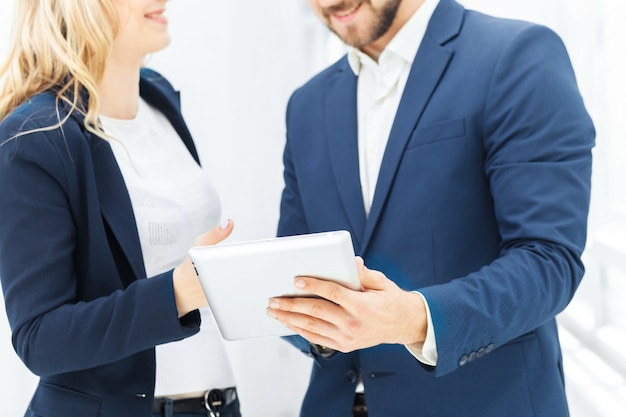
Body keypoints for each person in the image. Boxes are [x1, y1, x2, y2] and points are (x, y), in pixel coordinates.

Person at [266, 0, 595, 416]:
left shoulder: (517, 55)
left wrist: (414, 319)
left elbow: (549, 260)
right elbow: (294, 269)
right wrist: (312, 323)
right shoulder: (306, 105)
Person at [0, 1, 242, 416]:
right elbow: (40, 338)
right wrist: (178, 292)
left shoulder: (159, 97)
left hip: (217, 405)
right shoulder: (33, 137)